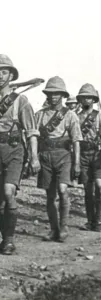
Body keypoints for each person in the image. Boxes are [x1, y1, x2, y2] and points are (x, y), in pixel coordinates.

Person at [0, 54, 40, 255]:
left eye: (4, 71)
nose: (0, 75)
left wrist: (34, 157)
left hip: (15, 150)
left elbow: (31, 131)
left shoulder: (20, 100)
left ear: (10, 75)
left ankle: (8, 240)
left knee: (8, 192)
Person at [35, 76, 82, 242]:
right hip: (46, 156)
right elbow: (34, 136)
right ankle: (53, 228)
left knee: (63, 190)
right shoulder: (39, 115)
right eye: (50, 93)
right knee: (50, 196)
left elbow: (76, 141)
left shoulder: (70, 115)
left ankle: (63, 226)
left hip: (63, 156)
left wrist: (76, 164)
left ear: (63, 95)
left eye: (57, 93)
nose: (53, 96)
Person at [76, 83, 101, 231]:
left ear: (94, 99)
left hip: (99, 154)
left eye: (89, 98)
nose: (86, 100)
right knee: (88, 189)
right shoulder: (76, 117)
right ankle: (90, 220)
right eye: (84, 97)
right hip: (83, 155)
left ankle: (99, 219)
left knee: (100, 185)